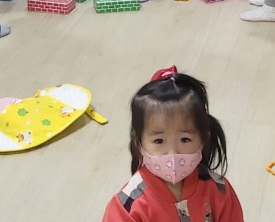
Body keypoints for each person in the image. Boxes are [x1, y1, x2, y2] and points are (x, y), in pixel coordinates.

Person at [103, 67, 243, 222]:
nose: (173, 153)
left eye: (185, 139)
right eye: (159, 141)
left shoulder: (219, 190)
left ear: (203, 139)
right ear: (139, 143)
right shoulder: (127, 207)